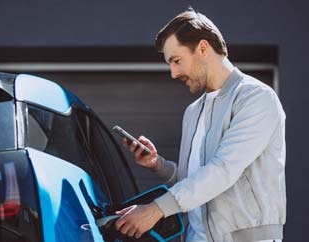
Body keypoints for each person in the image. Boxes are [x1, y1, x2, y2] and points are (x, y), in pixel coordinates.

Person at [114, 7, 286, 242]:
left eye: (176, 60)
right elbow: (194, 181)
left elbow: (223, 170)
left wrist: (155, 209)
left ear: (203, 48)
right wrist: (159, 165)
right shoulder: (193, 112)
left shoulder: (255, 98)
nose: (173, 73)